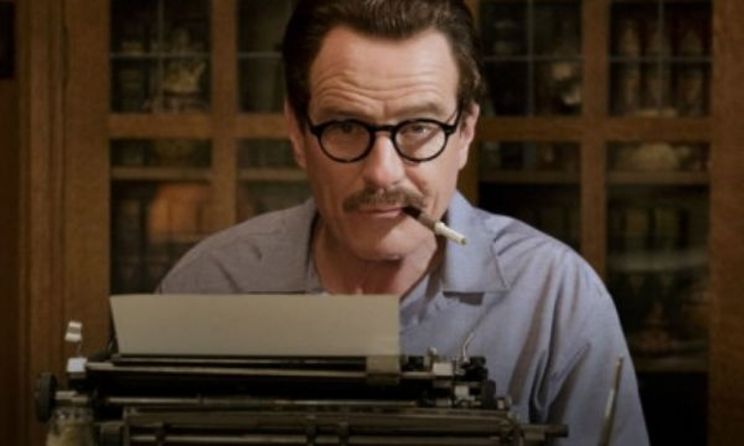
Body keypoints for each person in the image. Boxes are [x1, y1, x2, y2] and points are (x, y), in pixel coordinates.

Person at [158, 0, 649, 443]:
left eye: (419, 127)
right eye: (346, 126)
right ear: (296, 131)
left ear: (465, 132)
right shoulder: (209, 284)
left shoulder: (555, 297)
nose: (382, 172)